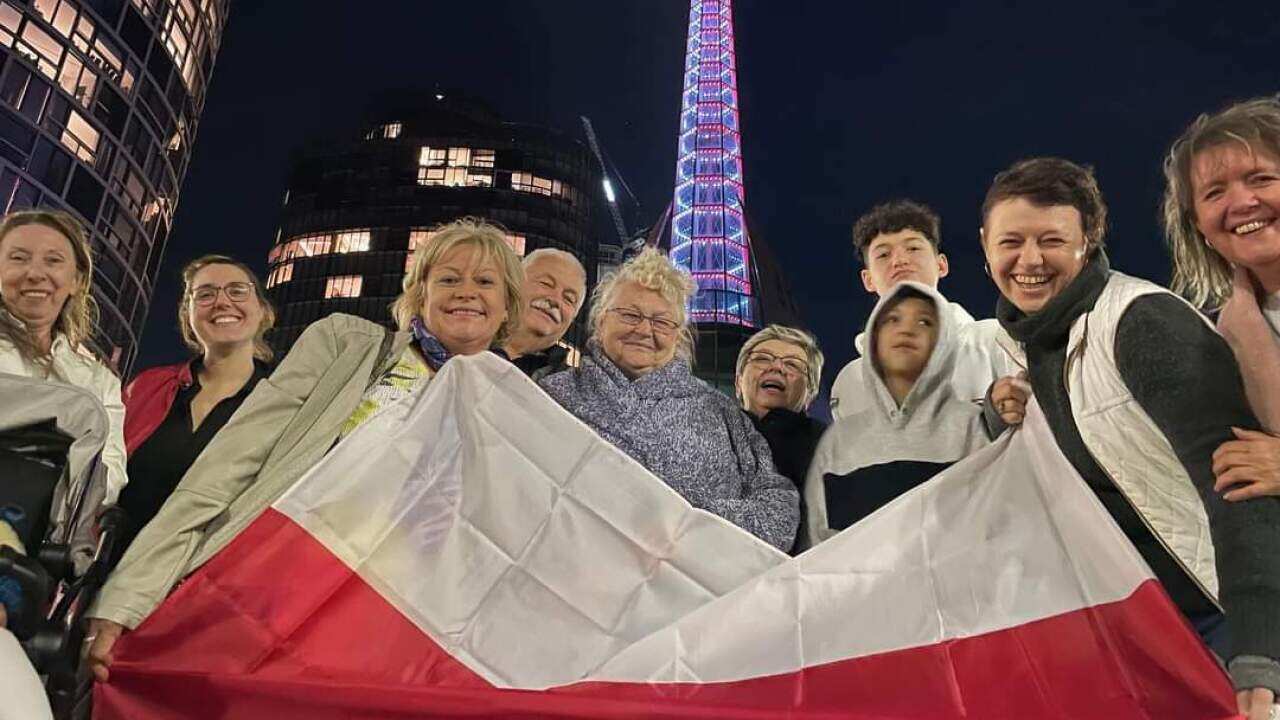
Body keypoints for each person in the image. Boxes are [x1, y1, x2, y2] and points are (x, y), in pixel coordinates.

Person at [86, 217, 525, 681]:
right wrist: (127, 598)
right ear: (420, 293)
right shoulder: (345, 345)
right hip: (269, 583)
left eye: (485, 282)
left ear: (506, 305)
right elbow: (225, 470)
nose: (466, 292)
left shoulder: (512, 413)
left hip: (384, 625)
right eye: (448, 279)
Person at [981, 156, 1280, 718]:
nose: (1029, 260)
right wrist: (1001, 416)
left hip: (1218, 620)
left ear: (1088, 241)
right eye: (1011, 241)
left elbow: (1241, 489)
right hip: (1138, 629)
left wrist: (1259, 652)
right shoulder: (1033, 340)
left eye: (1052, 240)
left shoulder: (1143, 324)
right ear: (984, 244)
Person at [540, 248, 799, 551]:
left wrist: (683, 525)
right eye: (629, 314)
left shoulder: (722, 412)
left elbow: (779, 509)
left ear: (679, 336)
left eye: (662, 322)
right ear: (600, 321)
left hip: (699, 590)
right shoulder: (553, 395)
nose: (644, 329)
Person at [806, 282, 992, 547]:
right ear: (873, 338)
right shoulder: (841, 439)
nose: (906, 329)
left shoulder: (973, 425)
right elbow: (820, 544)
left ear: (944, 342)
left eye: (925, 322)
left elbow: (991, 527)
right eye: (892, 320)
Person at [116, 255, 276, 561]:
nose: (222, 302)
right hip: (113, 569)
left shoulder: (279, 400)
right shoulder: (146, 387)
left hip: (210, 582)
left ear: (261, 311)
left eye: (237, 291)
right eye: (205, 294)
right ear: (187, 314)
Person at [1164, 96, 1280, 502]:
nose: (1242, 202)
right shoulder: (1222, 337)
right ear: (1198, 226)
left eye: (1261, 179)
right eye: (1214, 192)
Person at [830, 200, 1016, 419]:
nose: (899, 260)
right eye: (883, 255)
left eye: (913, 248)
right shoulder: (851, 381)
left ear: (941, 265)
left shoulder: (996, 340)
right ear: (868, 279)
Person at [0, 209, 126, 505]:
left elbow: (109, 479)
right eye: (18, 258)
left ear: (77, 281)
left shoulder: (100, 381)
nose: (34, 273)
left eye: (53, 261)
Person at [733, 325, 826, 553]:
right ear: (738, 382)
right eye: (762, 359)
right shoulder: (703, 431)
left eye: (793, 364)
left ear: (810, 394)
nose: (776, 368)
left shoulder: (832, 449)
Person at [500, 247, 587, 378]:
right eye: (545, 284)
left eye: (568, 299)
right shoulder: (463, 341)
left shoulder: (567, 390)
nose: (555, 300)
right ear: (514, 283)